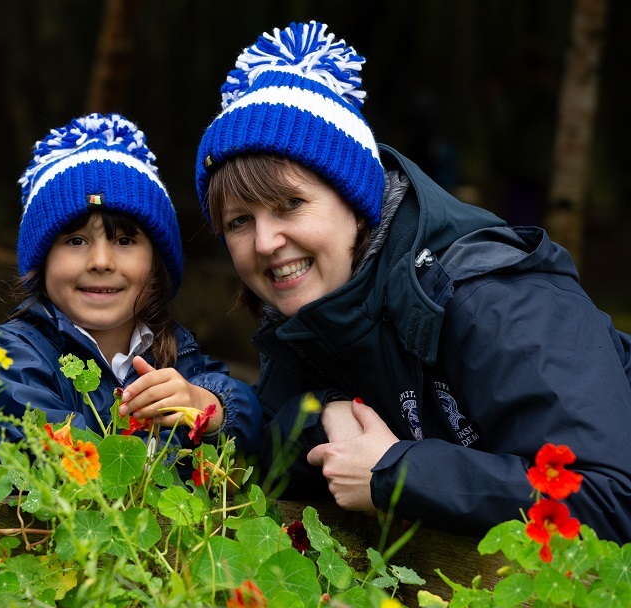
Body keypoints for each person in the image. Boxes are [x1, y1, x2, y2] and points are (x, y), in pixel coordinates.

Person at [195, 21, 631, 541]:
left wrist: (395, 474)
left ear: (356, 203)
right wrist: (323, 418)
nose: (265, 242)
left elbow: (610, 498)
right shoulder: (309, 317)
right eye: (240, 222)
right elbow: (275, 453)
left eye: (290, 204)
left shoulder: (495, 297)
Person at [0, 113, 260, 457]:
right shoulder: (13, 354)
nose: (101, 261)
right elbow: (59, 452)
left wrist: (209, 406)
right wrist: (177, 446)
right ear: (42, 261)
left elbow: (252, 423)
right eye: (76, 241)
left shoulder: (176, 351)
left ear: (157, 265)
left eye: (125, 241)